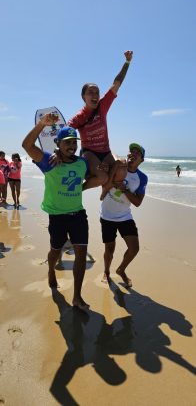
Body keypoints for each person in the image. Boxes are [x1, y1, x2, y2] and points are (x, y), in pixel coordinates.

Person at [22, 113, 90, 309]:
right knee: (55, 249)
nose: (71, 146)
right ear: (57, 143)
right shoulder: (48, 161)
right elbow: (26, 146)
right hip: (57, 216)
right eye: (66, 142)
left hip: (78, 214)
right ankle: (51, 268)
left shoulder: (82, 163)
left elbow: (94, 177)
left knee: (81, 251)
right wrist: (42, 124)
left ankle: (77, 296)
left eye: (73, 142)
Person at [67, 50, 133, 192]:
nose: (95, 95)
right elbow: (64, 132)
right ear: (83, 97)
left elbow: (116, 84)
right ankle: (78, 190)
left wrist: (127, 62)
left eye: (97, 92)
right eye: (90, 92)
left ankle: (106, 187)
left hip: (106, 151)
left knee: (122, 170)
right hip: (89, 153)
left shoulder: (102, 106)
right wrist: (57, 151)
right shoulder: (79, 117)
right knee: (102, 177)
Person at [100, 143, 148, 287]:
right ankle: (106, 271)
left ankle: (121, 269)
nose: (132, 154)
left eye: (137, 153)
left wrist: (125, 189)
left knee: (134, 248)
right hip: (107, 215)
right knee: (109, 249)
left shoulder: (142, 178)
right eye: (131, 151)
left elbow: (138, 202)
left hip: (125, 216)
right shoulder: (116, 167)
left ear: (142, 160)